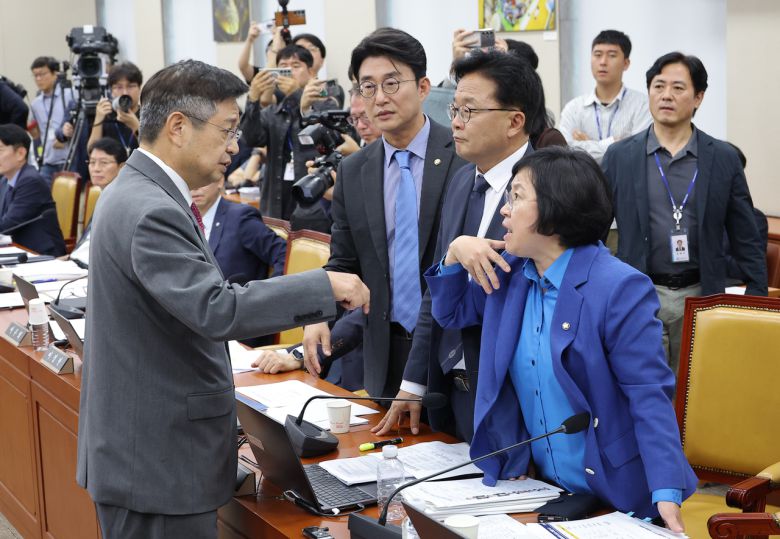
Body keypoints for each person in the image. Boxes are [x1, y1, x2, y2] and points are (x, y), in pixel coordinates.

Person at [75, 59, 369, 539]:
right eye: (228, 130)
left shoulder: (136, 190)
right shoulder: (150, 208)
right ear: (177, 127)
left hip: (147, 452)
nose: (235, 146)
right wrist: (324, 285)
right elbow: (215, 307)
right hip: (157, 464)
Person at [427, 146, 696, 531]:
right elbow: (452, 314)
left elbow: (648, 394)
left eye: (516, 197)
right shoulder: (510, 273)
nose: (504, 209)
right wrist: (454, 252)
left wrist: (666, 492)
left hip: (615, 494)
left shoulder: (619, 287)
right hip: (539, 489)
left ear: (556, 209)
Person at [375, 49, 542, 441]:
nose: (455, 122)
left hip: (511, 394)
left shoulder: (548, 189)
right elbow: (436, 287)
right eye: (454, 109)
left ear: (514, 121)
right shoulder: (461, 180)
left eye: (469, 111)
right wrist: (414, 382)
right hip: (450, 385)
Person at [302, 28, 467, 398]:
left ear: (423, 88)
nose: (379, 98)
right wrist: (316, 309)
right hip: (383, 351)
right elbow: (343, 260)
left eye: (391, 84)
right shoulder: (354, 170)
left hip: (451, 351)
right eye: (367, 87)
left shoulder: (462, 157)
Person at [602, 52, 767, 373]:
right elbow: (594, 226)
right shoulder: (621, 156)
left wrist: (756, 298)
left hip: (702, 297)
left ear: (699, 97)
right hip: (639, 294)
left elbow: (745, 235)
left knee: (698, 393)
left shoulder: (722, 157)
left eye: (678, 88)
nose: (666, 95)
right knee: (645, 393)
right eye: (658, 86)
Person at [241, 44, 339, 220]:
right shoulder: (273, 112)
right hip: (275, 206)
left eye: (295, 66)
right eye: (283, 67)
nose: (288, 71)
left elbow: (322, 141)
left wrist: (297, 94)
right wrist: (252, 99)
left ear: (310, 71)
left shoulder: (326, 104)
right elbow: (251, 139)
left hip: (313, 207)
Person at [558, 30, 651, 164]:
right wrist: (612, 143)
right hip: (583, 183)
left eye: (612, 55)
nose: (603, 62)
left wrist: (587, 145)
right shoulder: (574, 108)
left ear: (626, 63)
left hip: (625, 183)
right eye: (597, 55)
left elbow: (637, 153)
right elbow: (565, 153)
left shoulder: (642, 105)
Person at [190, 175, 286, 283]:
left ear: (220, 181)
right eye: (189, 180)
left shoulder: (240, 218)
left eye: (203, 180)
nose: (195, 187)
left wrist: (268, 293)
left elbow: (283, 254)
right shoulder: (184, 219)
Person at [0, 124, 65, 255]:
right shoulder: (5, 179)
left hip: (42, 255)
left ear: (20, 153)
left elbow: (8, 224)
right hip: (18, 250)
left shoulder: (31, 181)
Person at [69, 137, 127, 266]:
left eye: (104, 163)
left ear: (122, 167)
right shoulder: (103, 194)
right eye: (92, 162)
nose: (96, 169)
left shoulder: (123, 201)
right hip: (75, 264)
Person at [29, 56, 76, 184]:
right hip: (48, 160)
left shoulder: (69, 95)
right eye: (35, 75)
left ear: (55, 73)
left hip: (69, 158)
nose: (38, 79)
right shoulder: (35, 104)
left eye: (42, 74)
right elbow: (36, 132)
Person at [85, 62, 143, 154]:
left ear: (139, 88)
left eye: (130, 86)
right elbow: (91, 152)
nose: (125, 92)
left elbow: (155, 153)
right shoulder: (107, 115)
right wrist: (98, 119)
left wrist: (136, 126)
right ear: (111, 91)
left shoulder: (147, 115)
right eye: (119, 87)